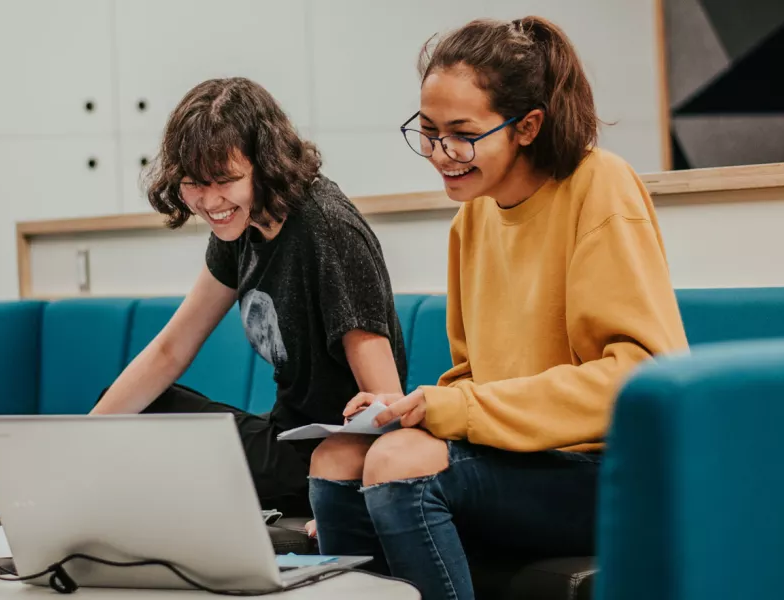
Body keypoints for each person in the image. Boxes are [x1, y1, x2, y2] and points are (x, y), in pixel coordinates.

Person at [306, 17, 689, 600]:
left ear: (528, 126)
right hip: (520, 463)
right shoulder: (474, 219)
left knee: (400, 464)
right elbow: (475, 378)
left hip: (612, 475)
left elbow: (637, 378)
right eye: (428, 131)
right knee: (338, 456)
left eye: (462, 133)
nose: (441, 153)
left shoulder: (600, 186)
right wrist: (404, 408)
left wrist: (450, 409)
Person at [90, 77, 409, 518]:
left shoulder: (327, 229)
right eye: (193, 183)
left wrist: (351, 496)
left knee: (139, 430)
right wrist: (81, 440)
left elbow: (385, 396)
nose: (209, 200)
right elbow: (171, 348)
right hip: (286, 439)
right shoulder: (241, 226)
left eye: (224, 180)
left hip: (330, 458)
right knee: (134, 409)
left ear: (266, 163)